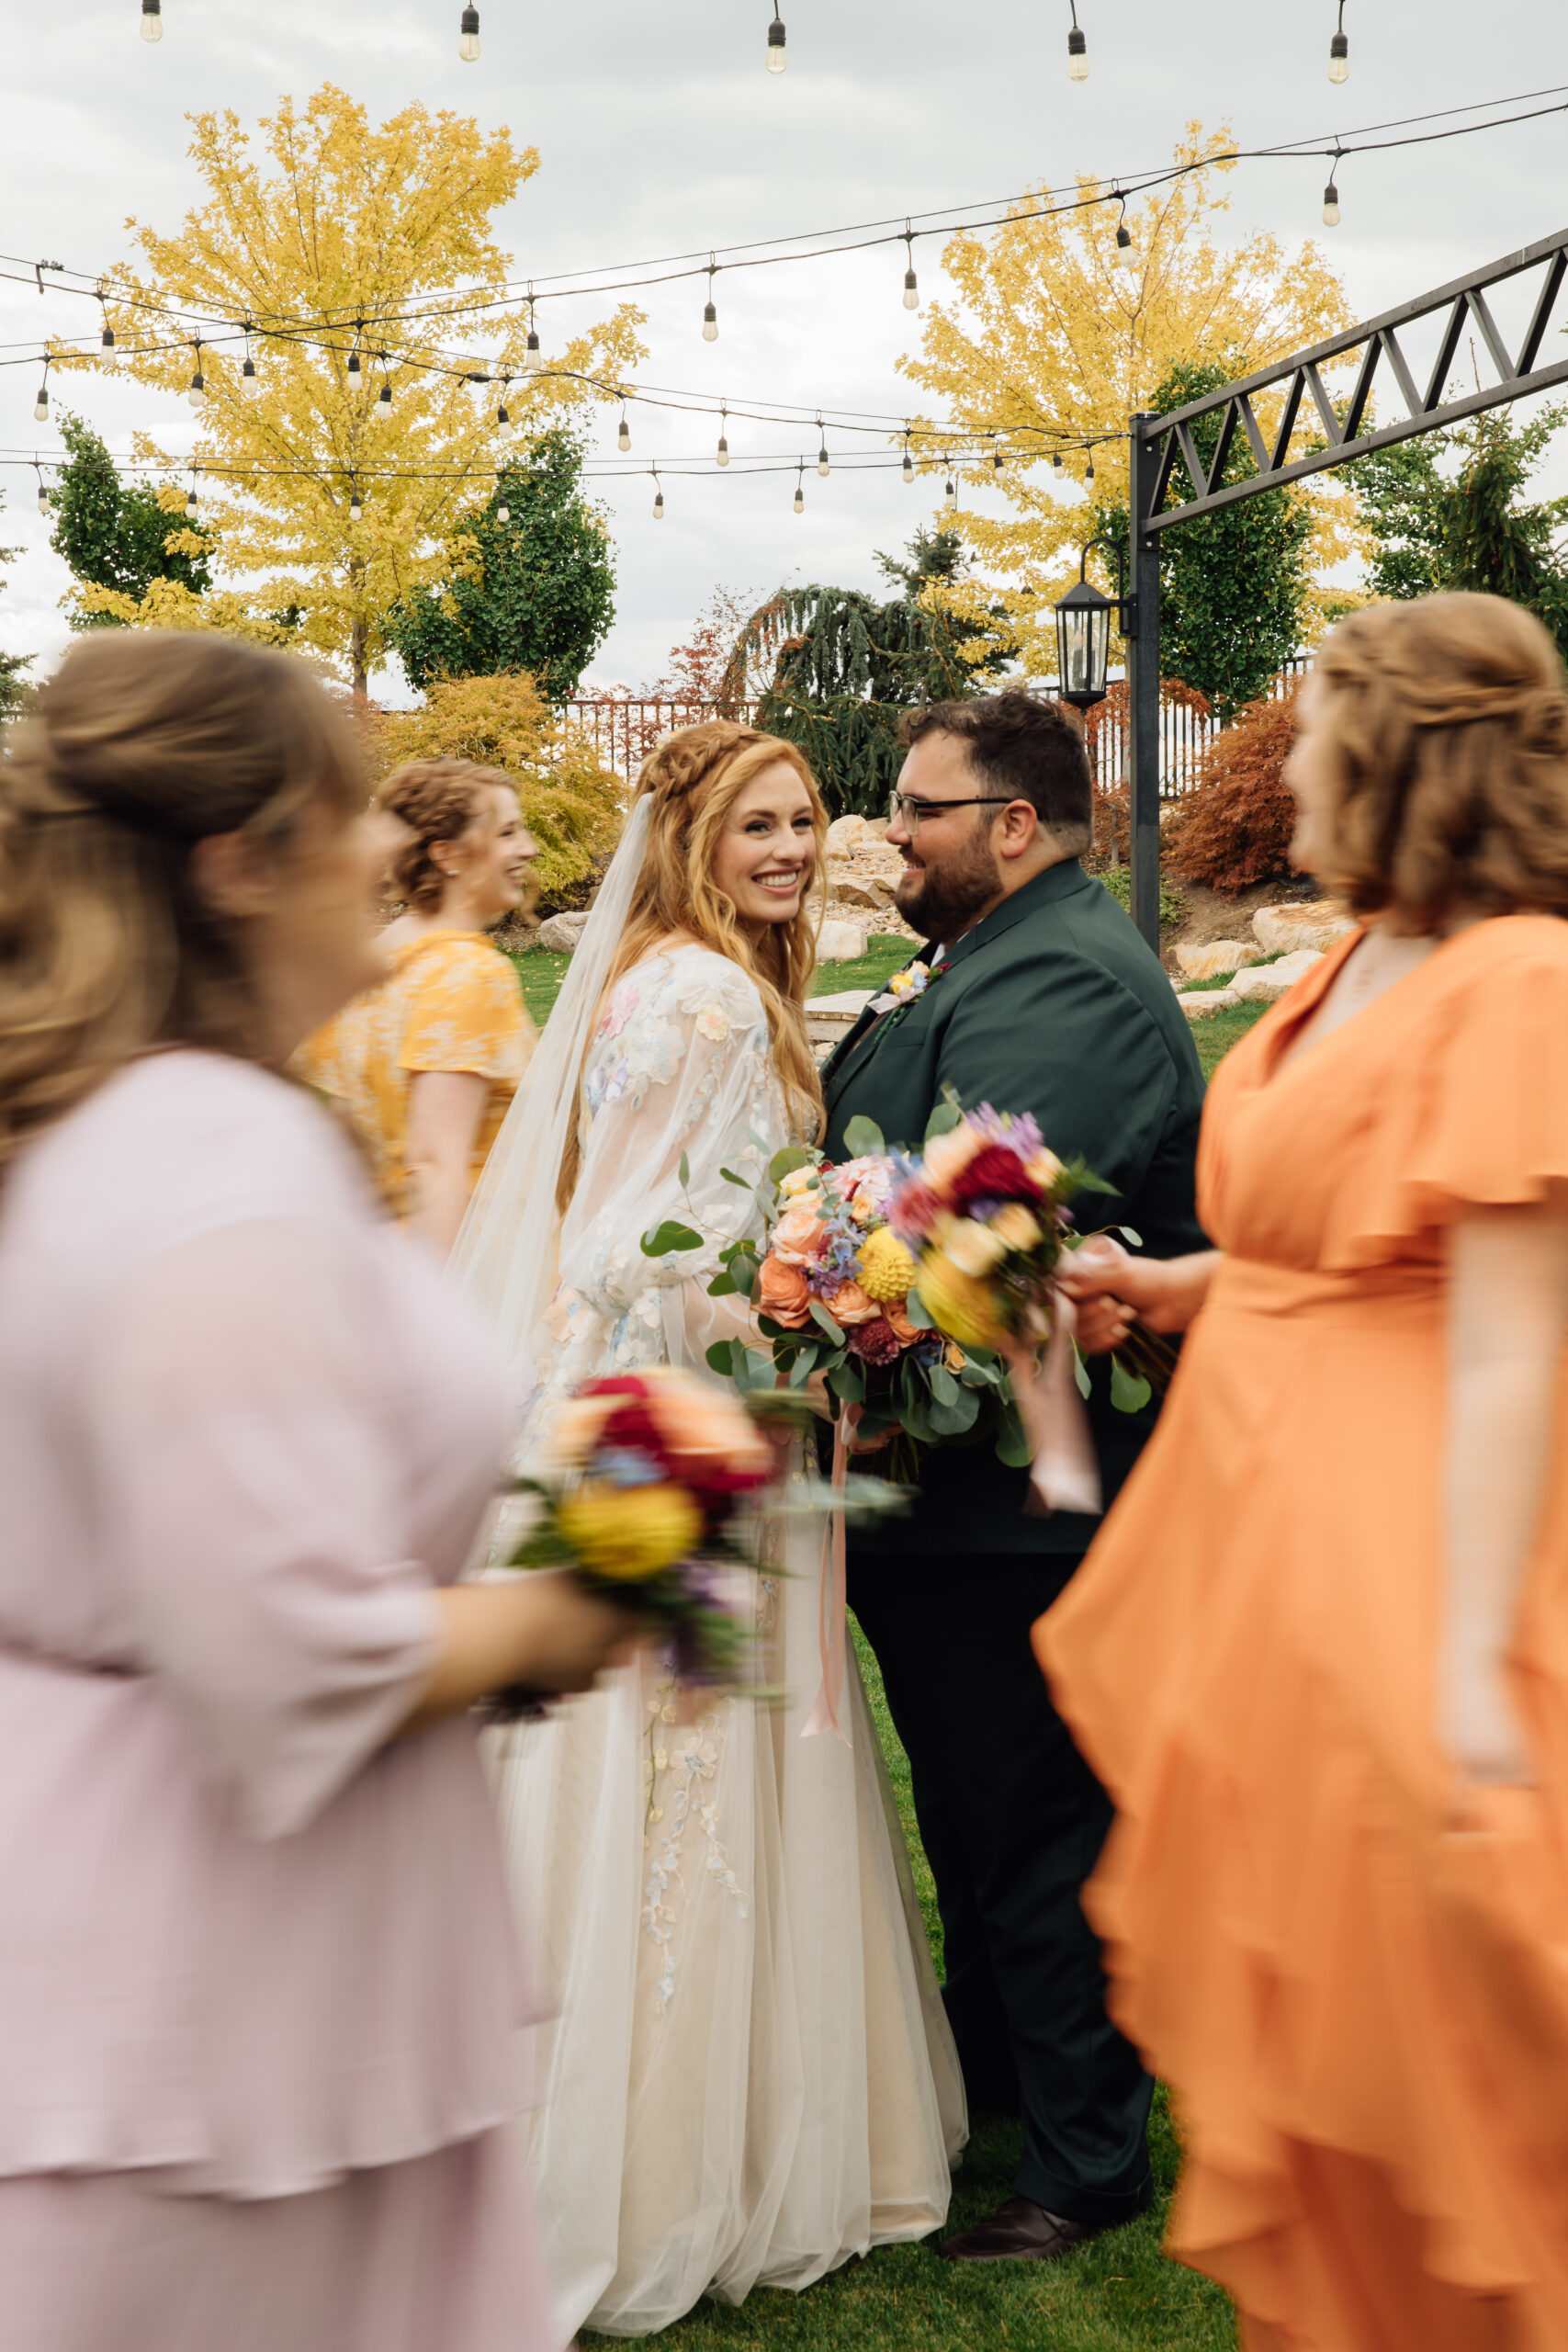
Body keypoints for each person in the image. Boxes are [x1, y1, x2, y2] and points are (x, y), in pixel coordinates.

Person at [0, 631, 629, 2352]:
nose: (386, 848)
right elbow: (277, 1640)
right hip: (210, 2007)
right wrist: (570, 1608)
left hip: (198, 1956)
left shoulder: (94, 1121)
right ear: (239, 860)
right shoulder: (204, 1156)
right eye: (349, 806)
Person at [1038, 592, 1568, 2351]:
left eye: (1321, 731)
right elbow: (1326, 1250)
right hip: (1257, 1527)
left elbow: (1505, 1344)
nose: (1287, 766)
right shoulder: (1348, 955)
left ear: (1409, 757)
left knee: (1428, 2044)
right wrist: (1169, 1287)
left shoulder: (1521, 980)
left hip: (1405, 1558)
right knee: (1314, 1999)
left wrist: (1468, 1672)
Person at [453, 720, 965, 2339]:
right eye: (757, 825)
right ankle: (654, 2171)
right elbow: (635, 1245)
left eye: (805, 822)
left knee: (628, 1762)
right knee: (674, 1767)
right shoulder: (704, 994)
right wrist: (796, 1314)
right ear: (687, 839)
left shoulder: (662, 979)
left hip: (628, 1406)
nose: (791, 850)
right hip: (677, 1419)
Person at [818, 689, 1207, 2265]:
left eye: (915, 807)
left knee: (1038, 1826)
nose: (887, 832)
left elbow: (979, 1208)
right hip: (949, 1490)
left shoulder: (1069, 978)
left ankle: (1085, 2163)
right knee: (981, 1824)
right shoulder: (987, 949)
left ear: (1012, 825)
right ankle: (995, 2092)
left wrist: (824, 1256)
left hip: (1024, 1498)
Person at [298, 758, 536, 1256]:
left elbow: (345, 1138)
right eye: (507, 832)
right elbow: (433, 1162)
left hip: (379, 1255)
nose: (527, 848)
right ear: (447, 854)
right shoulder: (468, 972)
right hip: (468, 1255)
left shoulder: (374, 967)